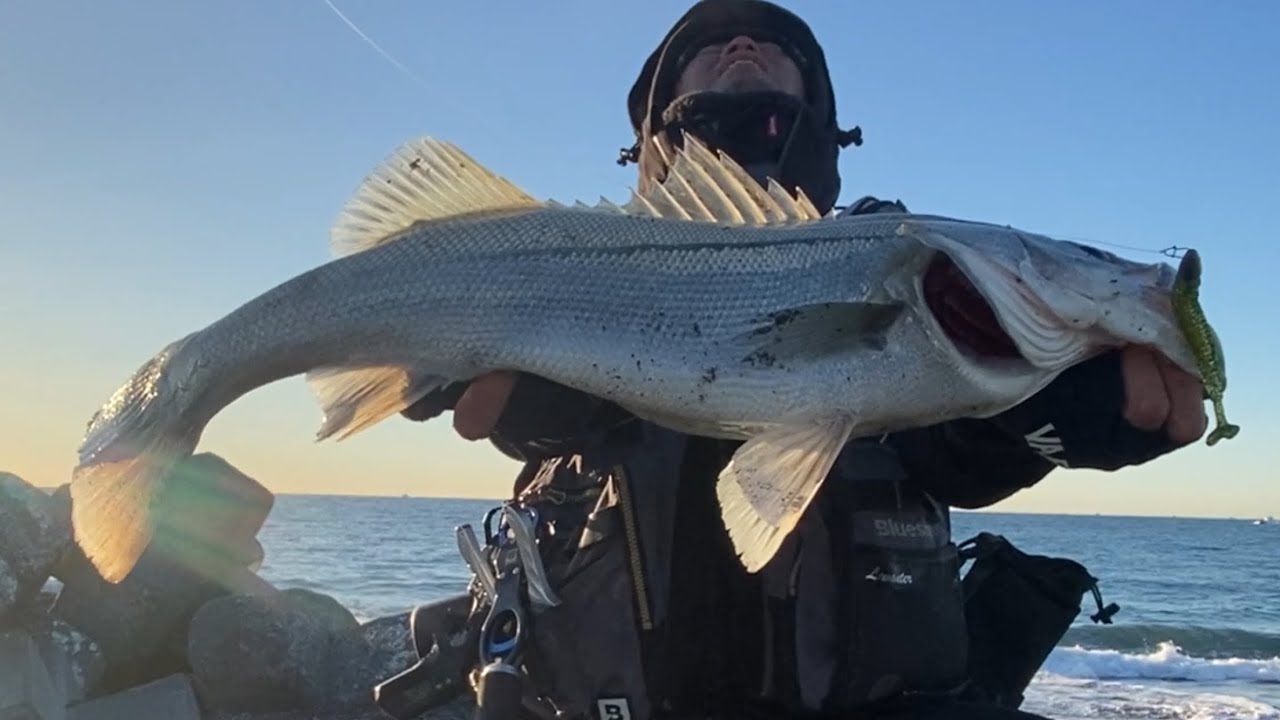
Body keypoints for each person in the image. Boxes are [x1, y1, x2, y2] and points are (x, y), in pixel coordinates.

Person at [391, 2, 1208, 720]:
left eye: (774, 47)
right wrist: (517, 403)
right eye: (709, 46)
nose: (744, 43)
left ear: (820, 117)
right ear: (651, 126)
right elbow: (530, 428)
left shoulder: (903, 259)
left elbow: (948, 460)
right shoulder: (566, 256)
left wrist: (1041, 418)